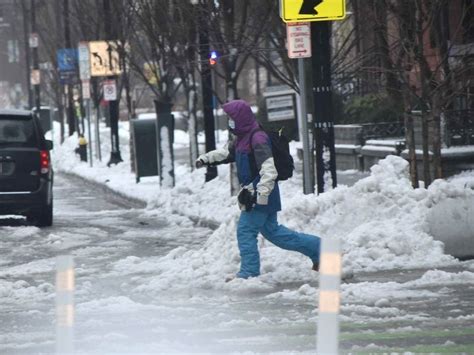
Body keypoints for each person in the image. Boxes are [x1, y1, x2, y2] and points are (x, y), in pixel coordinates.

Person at [196, 99, 321, 280]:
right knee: (275, 233)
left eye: (231, 117)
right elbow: (226, 153)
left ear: (240, 118)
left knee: (245, 231)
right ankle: (321, 250)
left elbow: (269, 170)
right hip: (259, 193)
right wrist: (206, 159)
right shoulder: (242, 138)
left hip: (261, 193)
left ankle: (249, 273)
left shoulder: (258, 138)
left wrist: (262, 195)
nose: (229, 121)